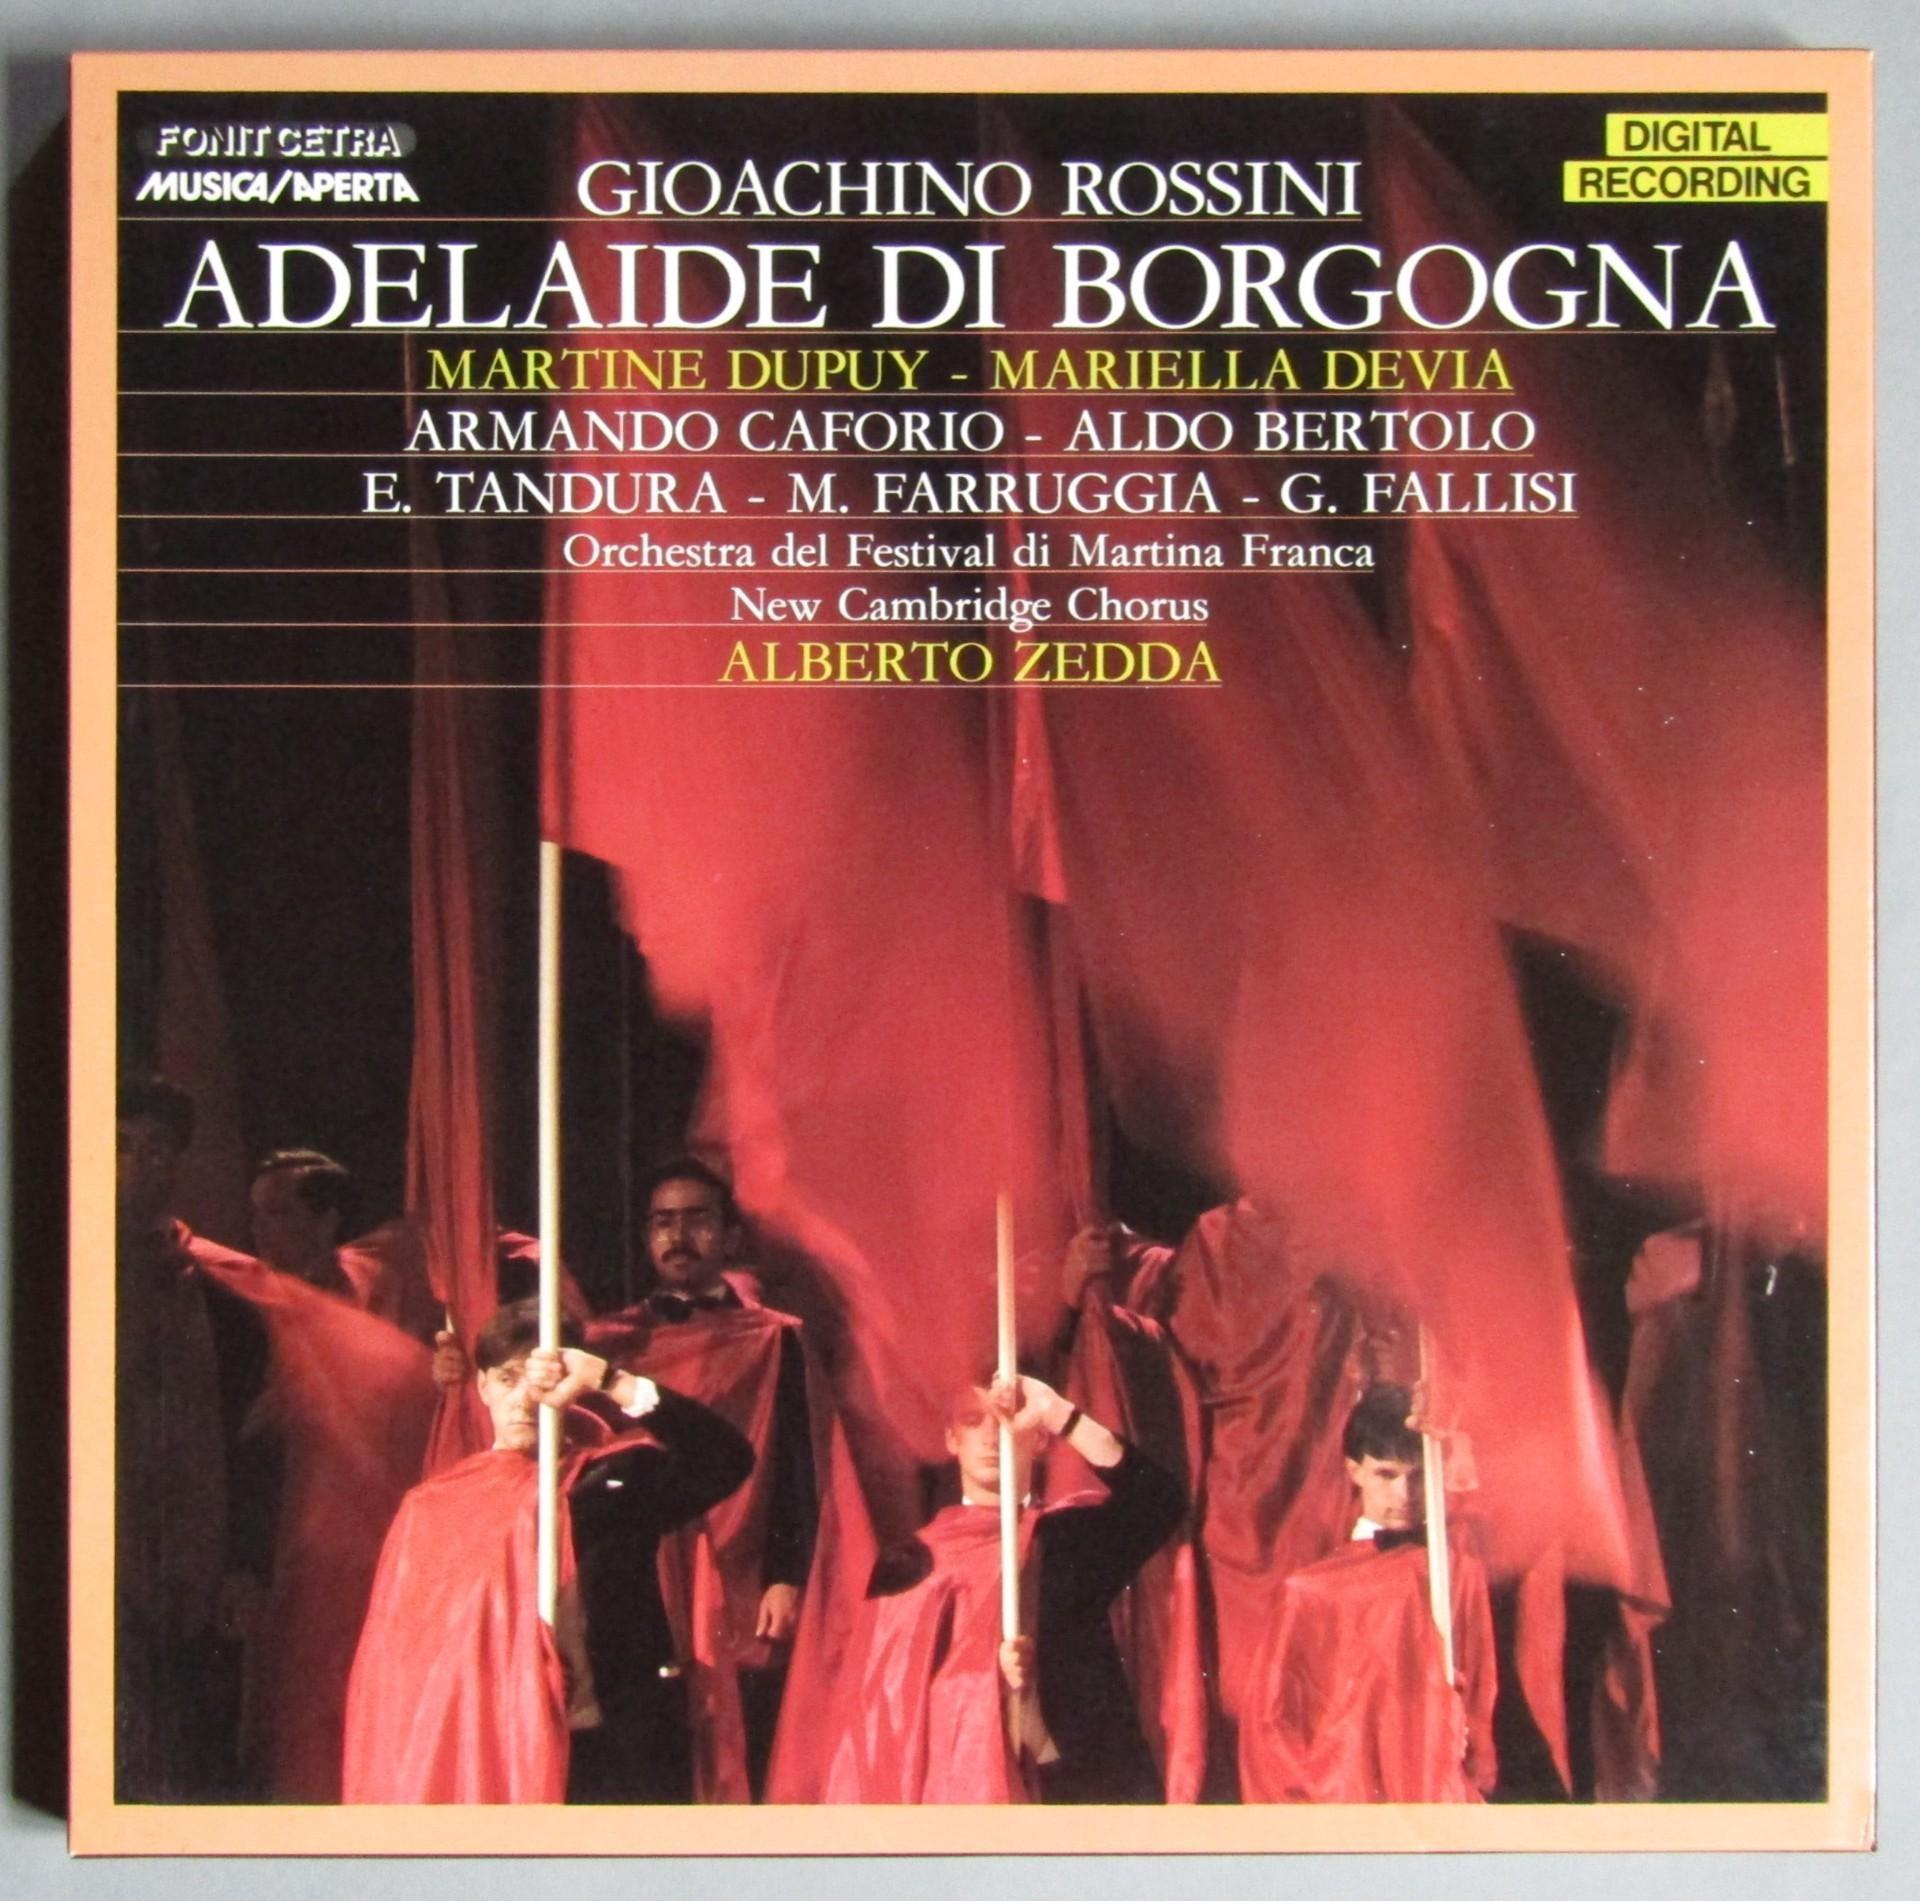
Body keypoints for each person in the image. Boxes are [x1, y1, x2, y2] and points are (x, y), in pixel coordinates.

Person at [432, 1155, 820, 1801]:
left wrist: (787, 1569)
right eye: (663, 1221)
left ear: (729, 1233)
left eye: (695, 1219)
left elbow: (776, 1456)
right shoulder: (613, 1336)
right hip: (610, 1580)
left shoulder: (772, 1338)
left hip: (725, 1545)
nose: (677, 1235)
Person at [344, 1298, 753, 1804]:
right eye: (508, 1379)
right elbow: (399, 1670)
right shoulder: (433, 1509)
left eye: (541, 1380)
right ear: (483, 1386)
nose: (524, 1399)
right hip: (490, 1750)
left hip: (610, 1751)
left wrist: (609, 1381)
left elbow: (725, 1459)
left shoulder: (615, 1480)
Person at [815, 1368, 1185, 1803]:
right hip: (956, 1798)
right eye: (973, 1421)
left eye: (1006, 1419)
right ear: (952, 1439)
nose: (991, 1436)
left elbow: (1161, 1500)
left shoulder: (1070, 1538)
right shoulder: (908, 1562)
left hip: (1075, 1788)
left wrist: (1057, 1412)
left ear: (1039, 1438)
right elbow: (882, 1715)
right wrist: (985, 1680)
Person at [115, 1076, 277, 1800]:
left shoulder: (221, 1289)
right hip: (85, 1553)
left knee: (186, 1749)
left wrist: (244, 1560)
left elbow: (254, 1436)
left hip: (191, 1559)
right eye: (121, 1145)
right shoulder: (46, 1276)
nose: (138, 1162)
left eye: (157, 1148)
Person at [1237, 1383, 1498, 1803]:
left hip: (1437, 1788)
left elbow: (1480, 1692)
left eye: (1417, 1475)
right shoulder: (1309, 1593)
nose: (1404, 1495)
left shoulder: (1459, 1573)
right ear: (1355, 1470)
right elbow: (1270, 1722)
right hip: (1344, 1797)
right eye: (1386, 1474)